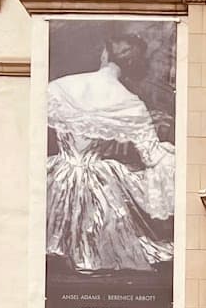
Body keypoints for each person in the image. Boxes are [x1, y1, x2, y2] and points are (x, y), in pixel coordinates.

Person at [46, 33, 175, 273]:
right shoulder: (130, 103)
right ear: (133, 65)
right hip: (98, 185)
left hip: (56, 179)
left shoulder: (58, 86)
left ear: (105, 54)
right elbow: (152, 157)